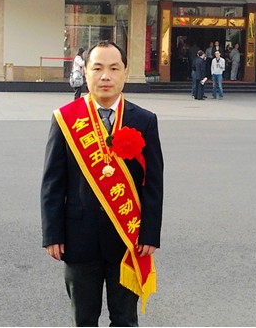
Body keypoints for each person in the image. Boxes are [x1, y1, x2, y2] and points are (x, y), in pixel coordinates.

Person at [41, 41, 164, 327]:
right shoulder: (66, 119)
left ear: (125, 73)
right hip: (78, 238)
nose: (105, 76)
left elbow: (153, 183)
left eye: (114, 68)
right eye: (97, 68)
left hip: (128, 238)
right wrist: (52, 233)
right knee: (84, 319)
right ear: (85, 72)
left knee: (125, 319)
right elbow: (53, 183)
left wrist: (149, 234)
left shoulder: (144, 120)